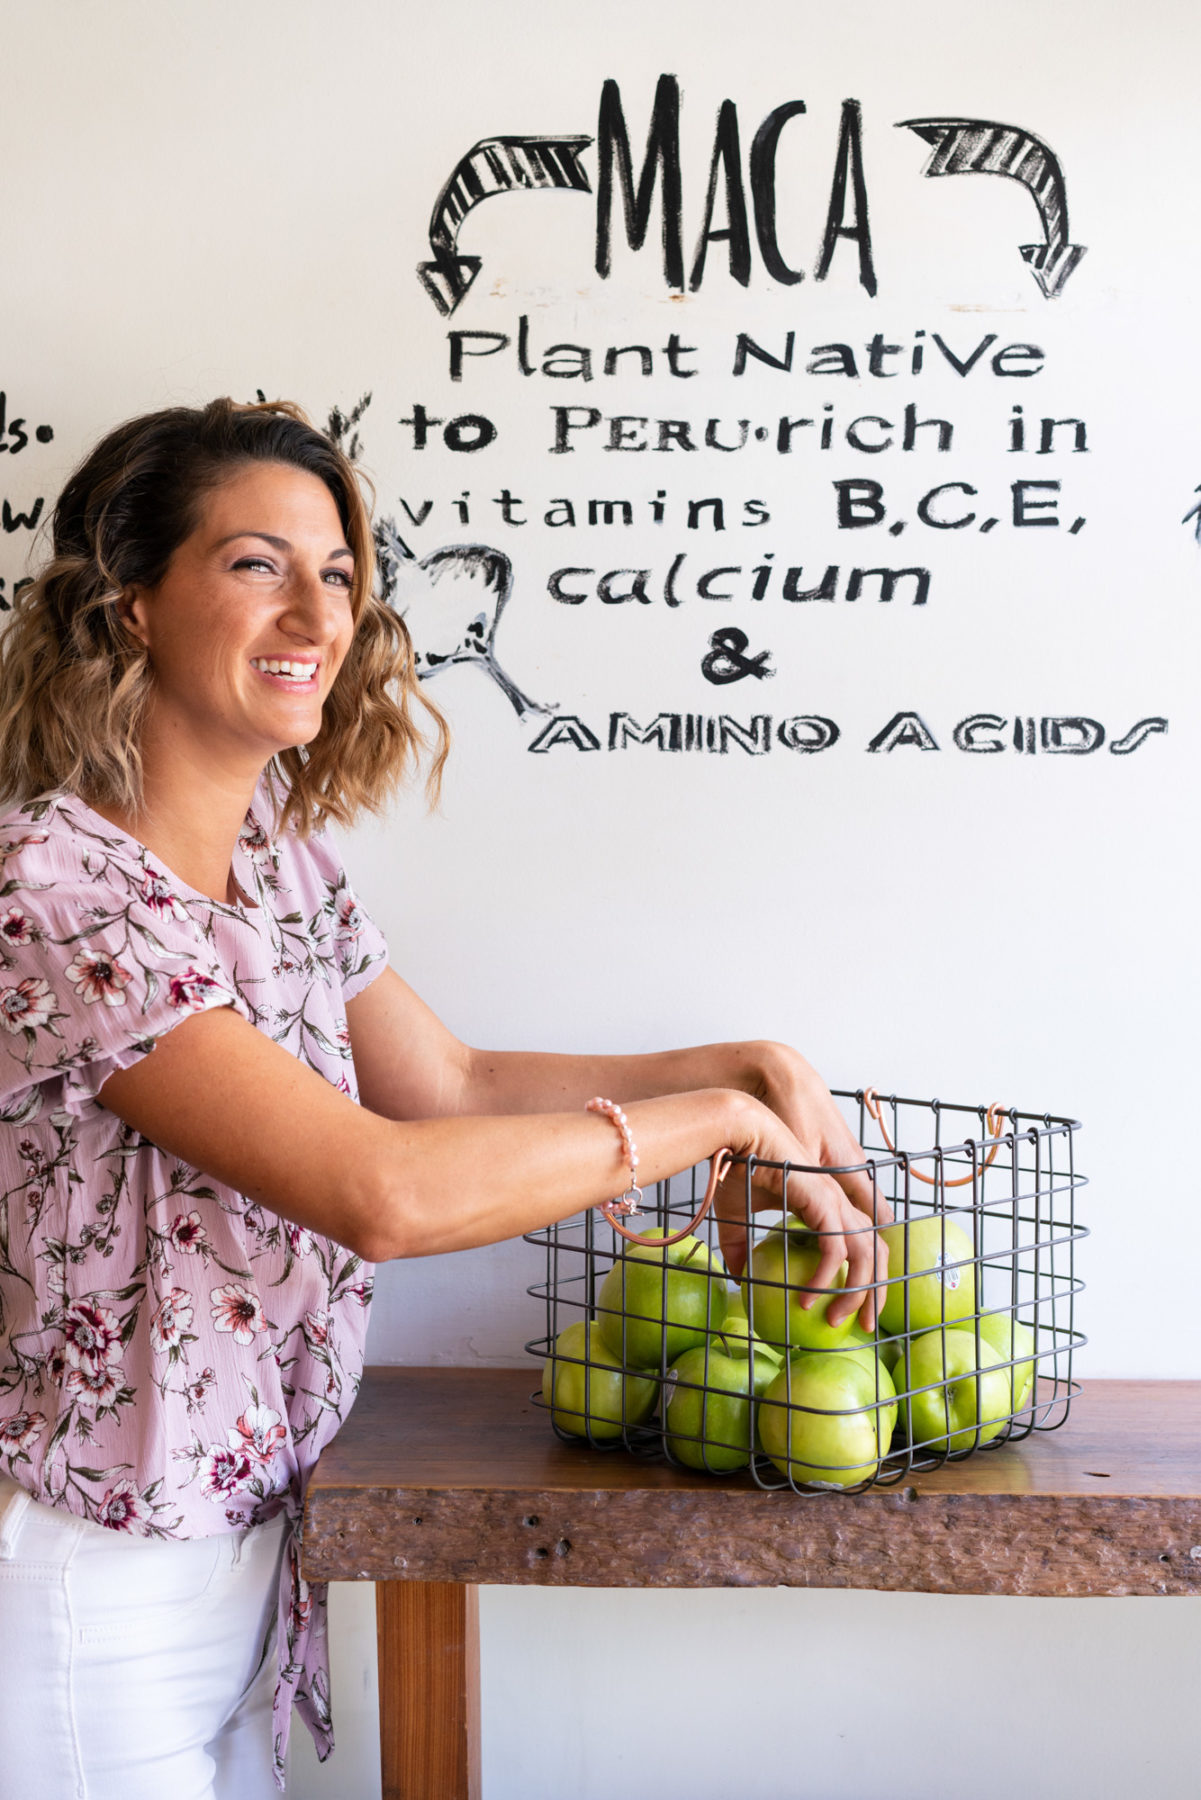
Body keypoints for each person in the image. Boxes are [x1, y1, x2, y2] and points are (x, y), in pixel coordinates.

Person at [0, 398, 888, 1799]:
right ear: (125, 609)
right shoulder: (56, 886)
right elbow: (382, 1190)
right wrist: (711, 1129)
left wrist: (746, 1067)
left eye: (340, 571)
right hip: (88, 1565)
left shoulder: (281, 857)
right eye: (254, 564)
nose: (317, 608)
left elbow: (447, 1087)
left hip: (243, 1539)